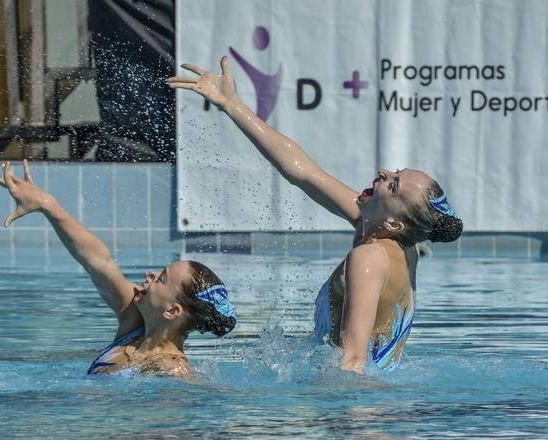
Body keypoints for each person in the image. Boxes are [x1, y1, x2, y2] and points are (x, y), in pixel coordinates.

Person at [169, 57, 463, 373]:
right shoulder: (403, 242)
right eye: (394, 173)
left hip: (360, 410)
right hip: (380, 404)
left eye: (393, 185)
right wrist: (232, 104)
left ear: (394, 222)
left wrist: (342, 420)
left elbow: (352, 364)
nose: (383, 172)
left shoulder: (369, 258)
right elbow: (303, 172)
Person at [0, 160, 236, 377]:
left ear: (172, 310)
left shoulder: (173, 370)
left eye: (161, 278)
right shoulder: (133, 321)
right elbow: (99, 261)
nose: (149, 275)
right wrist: (47, 205)